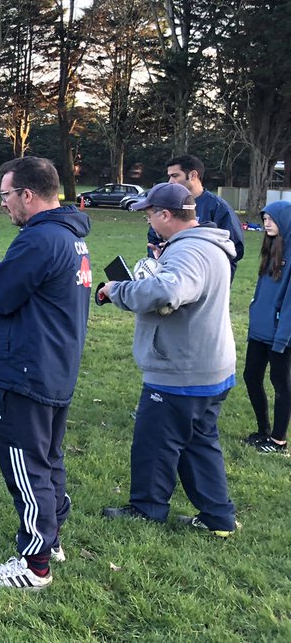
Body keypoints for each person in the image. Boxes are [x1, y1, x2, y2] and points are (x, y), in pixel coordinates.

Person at [0, 156, 91, 589]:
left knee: (25, 465)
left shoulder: (39, 239)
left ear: (27, 194)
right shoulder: (70, 236)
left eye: (5, 195)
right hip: (54, 366)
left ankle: (34, 563)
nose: (2, 204)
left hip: (26, 368)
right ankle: (52, 534)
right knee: (48, 458)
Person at [100, 182, 239, 537]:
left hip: (182, 370)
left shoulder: (188, 251)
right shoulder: (208, 244)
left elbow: (168, 291)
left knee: (155, 442)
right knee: (199, 443)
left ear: (165, 214)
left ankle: (147, 509)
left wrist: (117, 290)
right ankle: (217, 518)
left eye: (149, 213)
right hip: (210, 367)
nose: (148, 220)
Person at [241, 201, 291, 453]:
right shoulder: (272, 247)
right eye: (265, 219)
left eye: (271, 219)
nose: (266, 223)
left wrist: (283, 336)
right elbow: (262, 290)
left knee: (281, 384)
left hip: (281, 333)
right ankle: (263, 430)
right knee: (251, 376)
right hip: (260, 330)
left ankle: (278, 440)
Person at [148, 154, 244, 277]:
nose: (170, 182)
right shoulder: (168, 204)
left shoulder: (218, 208)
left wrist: (198, 258)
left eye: (175, 176)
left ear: (193, 175)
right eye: (169, 176)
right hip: (170, 277)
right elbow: (154, 238)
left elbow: (235, 249)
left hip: (205, 280)